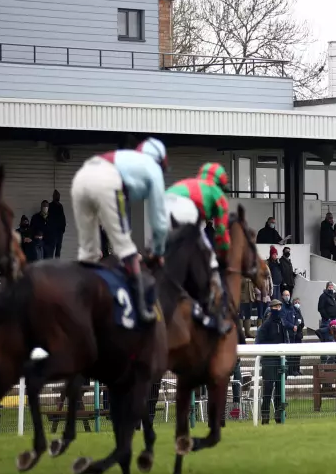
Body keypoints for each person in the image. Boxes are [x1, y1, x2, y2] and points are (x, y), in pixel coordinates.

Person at [70, 137, 169, 323]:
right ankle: (142, 311)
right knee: (125, 248)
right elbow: (159, 222)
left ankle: (79, 303)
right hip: (108, 181)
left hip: (80, 177)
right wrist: (158, 251)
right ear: (161, 160)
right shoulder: (153, 168)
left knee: (88, 254)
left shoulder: (128, 158)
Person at [164, 161, 235, 335]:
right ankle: (216, 319)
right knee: (208, 258)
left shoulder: (187, 182)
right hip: (186, 211)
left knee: (161, 254)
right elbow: (221, 233)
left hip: (162, 205)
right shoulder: (217, 193)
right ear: (220, 182)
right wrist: (223, 256)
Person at [255, 299, 289, 424]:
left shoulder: (282, 323)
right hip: (269, 361)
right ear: (271, 308)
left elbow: (286, 341)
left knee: (280, 392)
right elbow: (259, 343)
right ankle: (265, 417)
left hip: (280, 361)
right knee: (267, 391)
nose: (278, 309)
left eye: (280, 306)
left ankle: (279, 416)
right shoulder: (266, 325)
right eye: (276, 307)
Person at [45, 189, 66, 258]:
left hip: (59, 232)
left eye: (58, 196)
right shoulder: (50, 206)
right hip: (52, 232)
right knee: (52, 249)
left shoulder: (60, 206)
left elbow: (63, 219)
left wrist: (62, 229)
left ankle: (56, 265)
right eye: (56, 196)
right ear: (53, 197)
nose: (58, 197)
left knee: (57, 250)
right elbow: (47, 218)